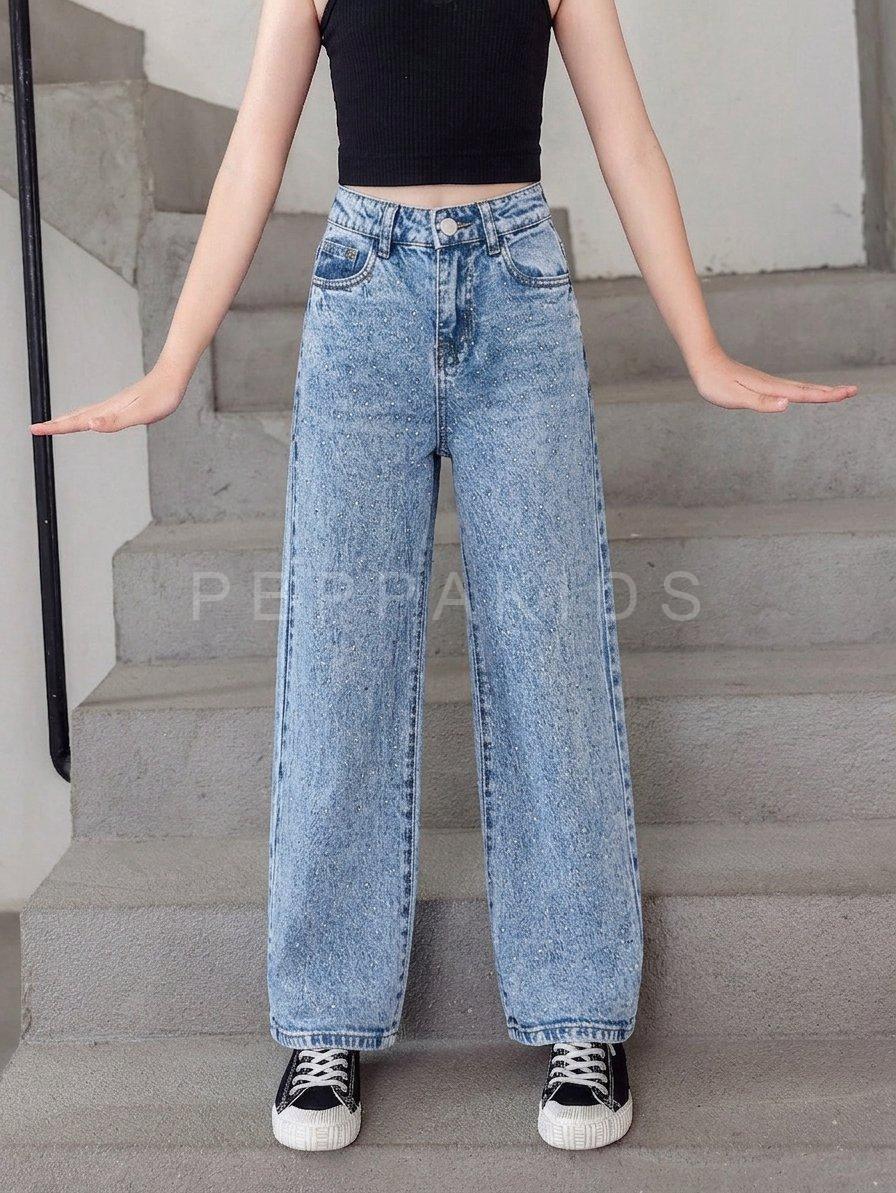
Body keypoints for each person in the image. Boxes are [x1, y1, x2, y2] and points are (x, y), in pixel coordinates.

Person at [32, 0, 858, 1155]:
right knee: (339, 670)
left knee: (552, 662)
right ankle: (324, 1021)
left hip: (518, 296)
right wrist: (173, 362)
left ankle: (579, 1014)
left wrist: (700, 346)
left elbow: (625, 141)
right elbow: (255, 150)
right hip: (361, 297)